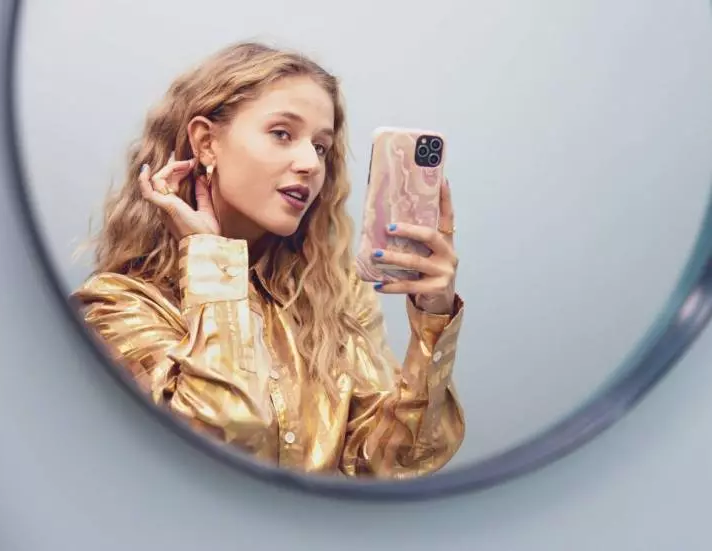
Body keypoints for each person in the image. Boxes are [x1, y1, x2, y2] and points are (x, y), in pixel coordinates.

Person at [71, 41, 466, 479]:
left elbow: (397, 461)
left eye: (321, 147)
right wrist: (211, 259)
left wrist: (433, 321)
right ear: (206, 143)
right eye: (282, 134)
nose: (310, 164)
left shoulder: (336, 301)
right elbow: (218, 441)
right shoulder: (115, 308)